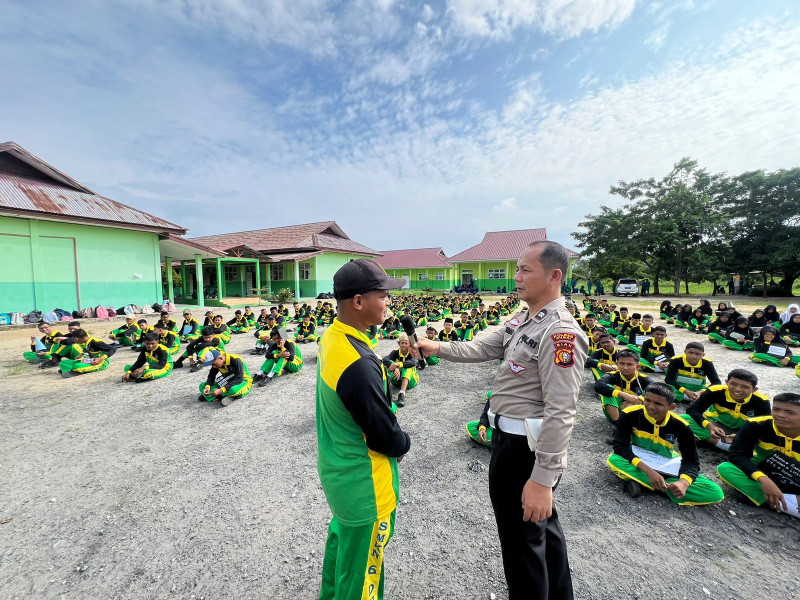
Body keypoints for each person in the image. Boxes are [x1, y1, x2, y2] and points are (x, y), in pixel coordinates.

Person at [416, 240, 586, 600]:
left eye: (525, 269)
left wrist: (542, 479)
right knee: (541, 532)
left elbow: (562, 410)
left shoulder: (559, 333)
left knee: (521, 543)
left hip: (526, 451)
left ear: (555, 276)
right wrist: (438, 347)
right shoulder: (525, 318)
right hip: (509, 442)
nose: (516, 276)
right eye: (517, 268)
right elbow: (484, 347)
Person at [316, 259, 410, 600]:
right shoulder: (357, 364)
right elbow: (387, 437)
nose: (388, 302)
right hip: (365, 484)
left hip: (340, 472)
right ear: (359, 302)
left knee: (343, 555)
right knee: (362, 577)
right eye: (383, 295)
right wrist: (405, 442)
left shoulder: (334, 337)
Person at [607, 383, 724, 506]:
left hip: (666, 461)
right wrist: (649, 471)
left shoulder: (681, 425)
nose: (650, 406)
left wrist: (683, 483)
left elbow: (691, 461)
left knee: (715, 492)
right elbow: (620, 447)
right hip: (637, 460)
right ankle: (664, 485)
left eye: (658, 404)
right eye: (647, 400)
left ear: (671, 407)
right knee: (614, 459)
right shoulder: (629, 414)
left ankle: (645, 483)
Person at [717, 393, 800, 518]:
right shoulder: (756, 424)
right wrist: (763, 479)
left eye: (790, 412)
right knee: (725, 469)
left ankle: (772, 499)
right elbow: (737, 455)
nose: (780, 415)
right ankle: (786, 502)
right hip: (765, 468)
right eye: (776, 409)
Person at [684, 369, 770, 450]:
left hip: (743, 430)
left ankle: (716, 442)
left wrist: (739, 436)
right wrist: (709, 426)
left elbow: (765, 428)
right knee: (684, 418)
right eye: (733, 384)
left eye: (745, 387)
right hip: (716, 426)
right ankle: (730, 447)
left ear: (754, 389)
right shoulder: (715, 391)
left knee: (767, 443)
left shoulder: (762, 401)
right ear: (726, 382)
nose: (737, 389)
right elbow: (692, 410)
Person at [594, 350, 649, 424]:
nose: (625, 367)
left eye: (629, 364)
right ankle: (618, 425)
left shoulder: (644, 379)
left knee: (649, 394)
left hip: (634, 408)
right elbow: (598, 385)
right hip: (615, 410)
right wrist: (624, 395)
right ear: (617, 364)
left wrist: (639, 399)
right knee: (607, 391)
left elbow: (658, 391)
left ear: (637, 366)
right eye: (622, 364)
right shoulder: (612, 375)